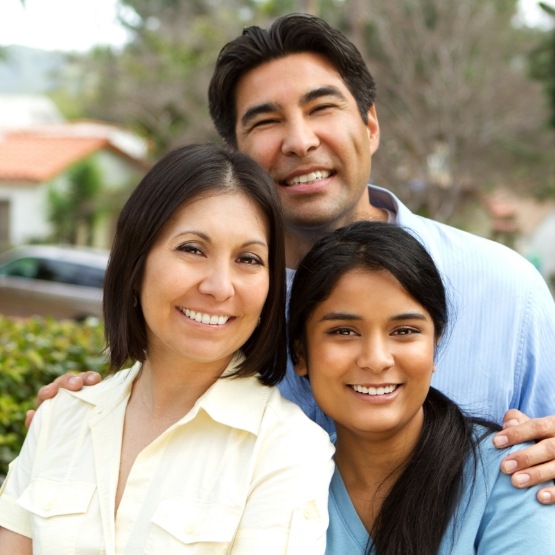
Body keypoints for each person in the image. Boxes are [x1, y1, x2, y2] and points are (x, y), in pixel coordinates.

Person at [31, 13, 555, 502]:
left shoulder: (505, 289)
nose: (300, 142)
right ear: (236, 152)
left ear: (370, 125)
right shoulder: (217, 308)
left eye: (322, 108)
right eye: (265, 121)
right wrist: (82, 414)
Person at [0, 143, 334, 554]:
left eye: (248, 259)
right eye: (193, 249)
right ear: (136, 263)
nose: (219, 286)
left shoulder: (288, 450)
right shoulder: (61, 417)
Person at [288, 220, 555, 554]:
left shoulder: (511, 473)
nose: (376, 359)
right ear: (300, 351)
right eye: (344, 331)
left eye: (404, 331)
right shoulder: (283, 482)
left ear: (435, 346)